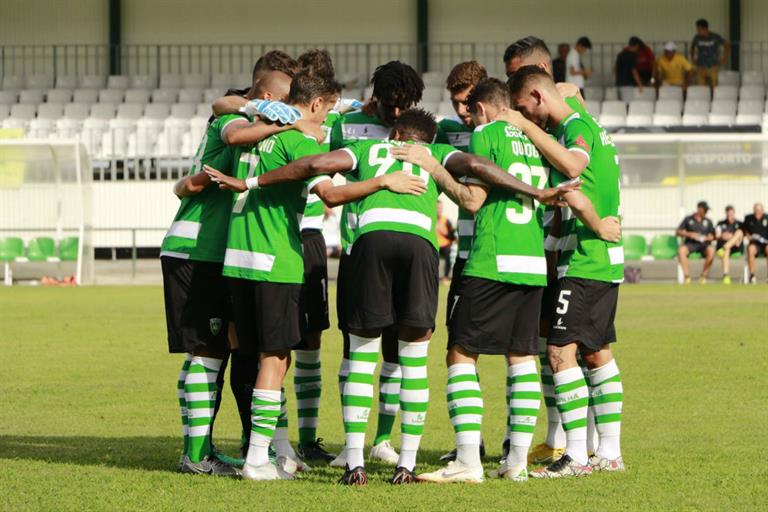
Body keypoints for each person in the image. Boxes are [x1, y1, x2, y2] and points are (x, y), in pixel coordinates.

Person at [234, 106, 577, 484]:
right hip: (421, 246)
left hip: (371, 240)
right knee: (415, 355)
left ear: (395, 134)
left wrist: (253, 182)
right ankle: (407, 464)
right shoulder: (436, 153)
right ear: (425, 138)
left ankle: (354, 462)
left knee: (362, 354)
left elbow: (316, 164)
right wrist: (535, 192)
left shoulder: (364, 148)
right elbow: (478, 167)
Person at [160, 68, 296, 476]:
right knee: (206, 351)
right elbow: (231, 123)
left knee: (219, 350)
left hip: (212, 253)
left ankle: (211, 449)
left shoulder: (243, 120)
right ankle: (196, 455)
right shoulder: (232, 120)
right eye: (282, 102)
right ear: (267, 96)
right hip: (197, 249)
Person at [506, 66, 626, 478]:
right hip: (604, 260)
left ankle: (576, 456)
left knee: (559, 352)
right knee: (597, 351)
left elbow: (574, 170)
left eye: (526, 108)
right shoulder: (586, 118)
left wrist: (523, 125)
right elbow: (567, 90)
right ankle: (609, 453)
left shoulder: (574, 127)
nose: (527, 116)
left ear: (537, 99)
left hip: (586, 258)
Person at [328, 61, 426, 469]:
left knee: (396, 351)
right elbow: (328, 177)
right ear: (378, 98)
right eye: (392, 106)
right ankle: (350, 443)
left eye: (406, 107)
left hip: (400, 248)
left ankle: (383, 439)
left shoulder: (416, 132)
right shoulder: (347, 125)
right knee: (356, 348)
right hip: (357, 247)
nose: (397, 115)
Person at [676, 201, 716, 284]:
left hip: (704, 245)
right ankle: (687, 277)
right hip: (690, 244)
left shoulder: (708, 221)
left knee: (712, 251)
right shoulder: (688, 219)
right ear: (699, 209)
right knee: (681, 250)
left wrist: (709, 238)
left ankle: (703, 276)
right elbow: (678, 232)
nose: (706, 212)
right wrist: (690, 234)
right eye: (705, 210)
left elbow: (713, 236)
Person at [691, 18, 730, 88]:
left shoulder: (715, 37)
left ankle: (713, 98)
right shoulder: (697, 37)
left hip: (713, 66)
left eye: (699, 29)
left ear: (705, 28)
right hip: (700, 66)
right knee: (700, 88)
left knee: (714, 86)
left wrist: (724, 58)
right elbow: (693, 46)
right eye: (697, 29)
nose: (698, 31)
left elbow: (726, 44)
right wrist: (692, 57)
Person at [715, 205, 744, 285]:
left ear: (734, 214)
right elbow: (717, 236)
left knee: (739, 232)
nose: (730, 216)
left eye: (731, 214)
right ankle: (726, 275)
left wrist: (731, 237)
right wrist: (722, 236)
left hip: (736, 247)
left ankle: (724, 248)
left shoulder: (740, 223)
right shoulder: (720, 223)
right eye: (728, 215)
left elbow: (741, 236)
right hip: (724, 248)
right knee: (726, 250)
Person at [743, 203, 768, 284]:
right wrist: (748, 236)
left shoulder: (766, 218)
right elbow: (744, 230)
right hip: (754, 244)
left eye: (759, 211)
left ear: (762, 211)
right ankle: (752, 275)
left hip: (765, 244)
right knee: (751, 249)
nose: (758, 212)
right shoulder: (748, 218)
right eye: (756, 211)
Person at [615, 37, 644, 101]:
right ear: (636, 46)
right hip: (627, 85)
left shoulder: (620, 55)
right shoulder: (632, 56)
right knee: (628, 104)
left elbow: (615, 69)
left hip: (618, 84)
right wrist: (640, 85)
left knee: (621, 104)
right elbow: (634, 72)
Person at [436, 201, 456, 283]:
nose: (439, 210)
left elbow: (453, 237)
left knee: (449, 255)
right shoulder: (431, 219)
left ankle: (446, 277)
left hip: (445, 245)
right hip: (434, 245)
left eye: (440, 208)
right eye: (437, 208)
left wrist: (445, 233)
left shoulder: (446, 220)